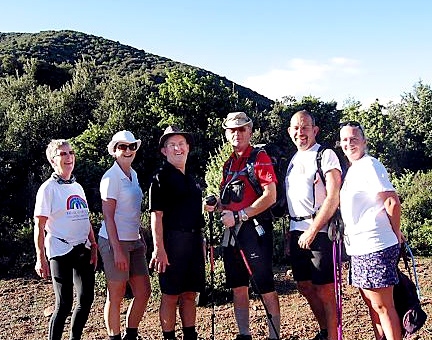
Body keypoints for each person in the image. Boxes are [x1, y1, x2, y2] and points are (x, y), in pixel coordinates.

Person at [206, 111, 281, 340]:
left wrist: (239, 216)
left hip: (254, 230)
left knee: (265, 284)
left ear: (249, 131)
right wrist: (216, 204)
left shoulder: (260, 157)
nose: (237, 134)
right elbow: (230, 200)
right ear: (226, 134)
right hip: (233, 232)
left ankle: (274, 336)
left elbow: (270, 196)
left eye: (242, 129)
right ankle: (243, 334)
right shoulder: (229, 163)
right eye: (232, 130)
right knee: (238, 286)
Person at [339, 121, 402, 340]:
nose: (349, 143)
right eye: (345, 140)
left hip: (376, 246)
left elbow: (392, 202)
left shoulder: (370, 165)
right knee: (373, 306)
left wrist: (396, 235)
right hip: (359, 248)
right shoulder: (353, 170)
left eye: (354, 139)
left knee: (384, 307)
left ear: (364, 142)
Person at [285, 110, 341, 340]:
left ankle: (334, 337)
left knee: (325, 290)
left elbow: (333, 196)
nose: (301, 132)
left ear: (315, 130)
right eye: (296, 128)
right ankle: (325, 331)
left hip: (319, 230)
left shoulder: (325, 155)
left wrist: (313, 229)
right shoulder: (293, 159)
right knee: (305, 286)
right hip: (296, 230)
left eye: (305, 127)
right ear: (290, 132)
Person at [34, 139, 97, 340]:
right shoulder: (48, 188)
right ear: (53, 160)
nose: (69, 157)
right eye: (63, 154)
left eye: (70, 152)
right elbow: (40, 225)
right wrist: (40, 258)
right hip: (60, 251)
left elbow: (85, 218)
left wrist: (93, 245)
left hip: (83, 248)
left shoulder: (77, 187)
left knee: (86, 299)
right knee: (63, 304)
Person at [149, 125, 206, 340]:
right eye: (172, 145)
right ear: (164, 150)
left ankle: (190, 335)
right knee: (170, 294)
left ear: (188, 147)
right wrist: (159, 249)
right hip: (171, 241)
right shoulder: (160, 178)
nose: (177, 148)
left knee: (190, 293)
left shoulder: (191, 179)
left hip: (193, 240)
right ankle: (169, 337)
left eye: (181, 144)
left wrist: (201, 243)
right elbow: (157, 216)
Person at [98, 130, 151, 340]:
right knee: (116, 294)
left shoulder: (134, 174)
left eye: (132, 146)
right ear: (114, 150)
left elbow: (132, 211)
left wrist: (140, 237)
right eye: (122, 147)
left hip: (134, 240)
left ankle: (131, 334)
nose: (128, 151)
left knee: (144, 292)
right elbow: (108, 217)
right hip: (114, 242)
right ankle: (114, 337)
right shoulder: (110, 178)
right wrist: (117, 250)